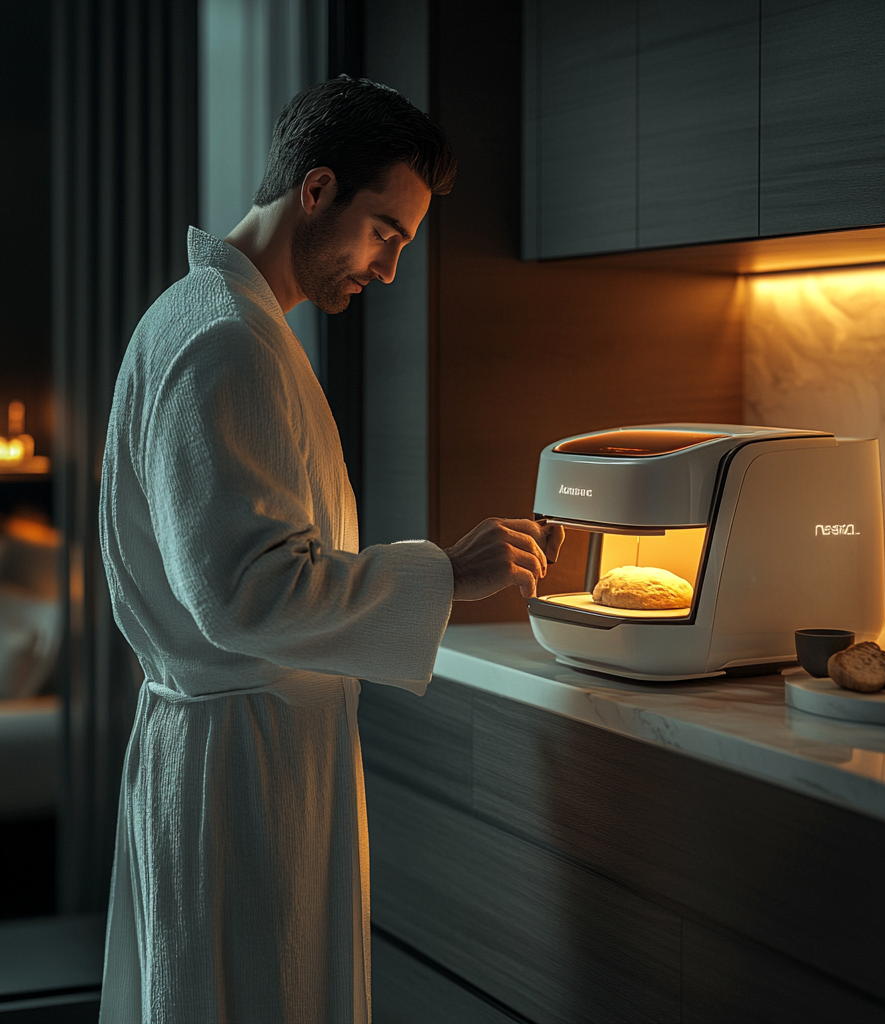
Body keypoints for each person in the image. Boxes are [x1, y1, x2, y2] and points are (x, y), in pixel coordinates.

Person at [97, 75, 563, 1024]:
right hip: (244, 781)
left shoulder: (215, 321)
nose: (388, 270)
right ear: (315, 192)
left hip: (245, 756)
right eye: (385, 233)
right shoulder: (224, 341)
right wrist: (448, 572)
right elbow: (245, 595)